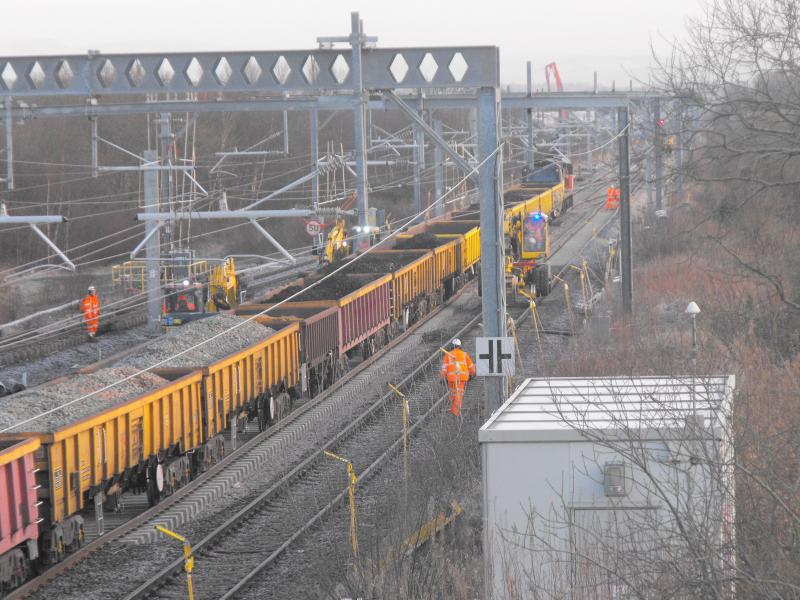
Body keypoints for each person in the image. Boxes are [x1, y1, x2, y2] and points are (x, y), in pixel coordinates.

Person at [440, 338, 476, 417]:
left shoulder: (448, 355)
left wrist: (443, 377)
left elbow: (444, 368)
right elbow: (471, 367)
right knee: (458, 394)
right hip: (461, 378)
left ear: (452, 346)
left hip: (451, 379)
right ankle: (456, 413)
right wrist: (472, 373)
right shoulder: (464, 354)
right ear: (460, 346)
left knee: (453, 394)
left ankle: (454, 410)